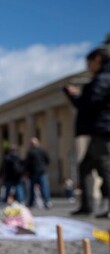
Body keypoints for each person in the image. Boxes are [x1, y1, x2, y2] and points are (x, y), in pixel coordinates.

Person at [65, 47, 110, 217]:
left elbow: (87, 106)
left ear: (97, 59)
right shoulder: (102, 79)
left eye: (89, 63)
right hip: (100, 130)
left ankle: (94, 206)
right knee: (86, 167)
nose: (88, 67)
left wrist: (74, 95)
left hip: (103, 130)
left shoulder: (103, 79)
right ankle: (87, 205)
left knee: (105, 167)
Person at [24, 137, 51, 208]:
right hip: (33, 173)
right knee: (32, 189)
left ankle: (46, 201)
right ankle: (31, 202)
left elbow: (47, 160)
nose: (32, 144)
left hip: (41, 172)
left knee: (44, 188)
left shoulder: (41, 151)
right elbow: (27, 163)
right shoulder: (30, 152)